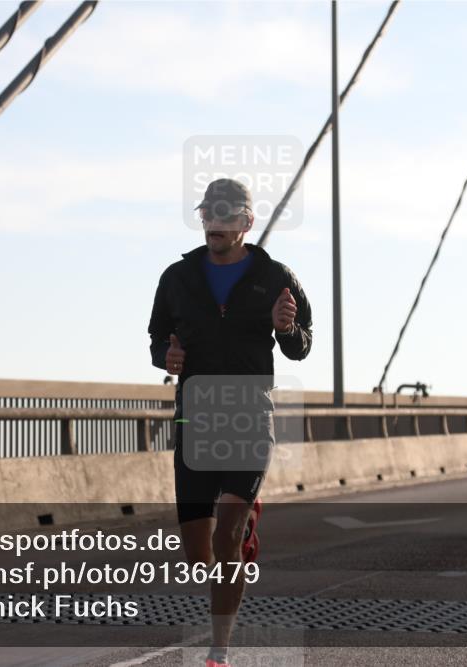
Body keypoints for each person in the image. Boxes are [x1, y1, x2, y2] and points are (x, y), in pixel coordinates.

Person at [147, 178, 313, 667]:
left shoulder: (274, 276)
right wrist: (167, 356)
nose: (213, 223)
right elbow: (158, 337)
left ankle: (219, 652)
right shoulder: (177, 278)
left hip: (248, 416)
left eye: (224, 215)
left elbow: (301, 343)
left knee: (227, 538)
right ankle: (238, 539)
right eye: (206, 214)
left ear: (246, 222)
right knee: (198, 553)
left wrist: (285, 328)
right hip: (196, 416)